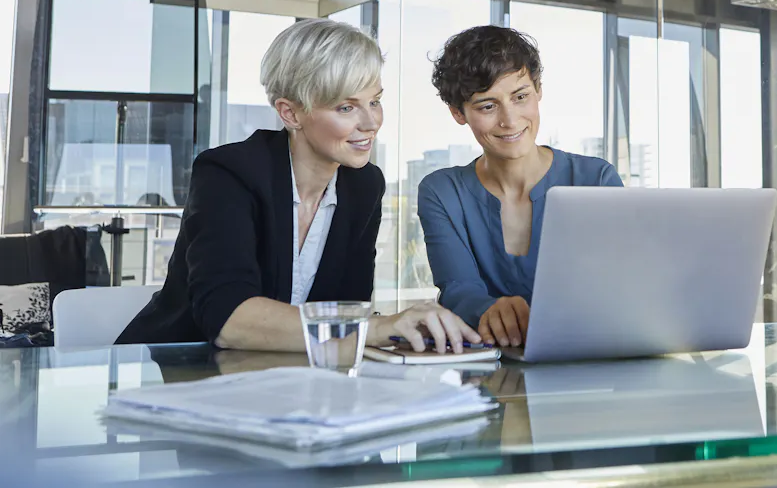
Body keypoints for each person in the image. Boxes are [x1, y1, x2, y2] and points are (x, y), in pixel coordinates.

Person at [118, 19, 479, 353]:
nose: (371, 122)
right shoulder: (228, 173)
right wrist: (380, 328)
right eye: (346, 108)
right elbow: (229, 321)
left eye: (375, 101)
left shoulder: (364, 185)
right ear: (290, 113)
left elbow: (347, 310)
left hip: (281, 380)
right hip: (173, 374)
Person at [418, 25, 622, 348]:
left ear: (538, 90)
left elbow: (618, 287)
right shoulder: (442, 192)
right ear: (459, 113)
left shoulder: (596, 180)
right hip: (489, 371)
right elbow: (458, 289)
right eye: (487, 106)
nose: (510, 121)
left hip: (590, 358)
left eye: (521, 97)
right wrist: (489, 310)